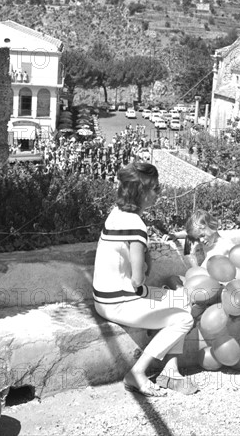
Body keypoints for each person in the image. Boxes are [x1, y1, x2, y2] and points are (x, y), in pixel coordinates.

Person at [93, 162, 198, 397]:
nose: (158, 193)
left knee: (182, 299)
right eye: (155, 188)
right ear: (141, 192)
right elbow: (138, 280)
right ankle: (137, 373)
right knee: (183, 319)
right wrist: (146, 259)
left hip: (106, 297)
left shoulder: (117, 214)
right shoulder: (135, 225)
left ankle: (170, 371)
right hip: (119, 302)